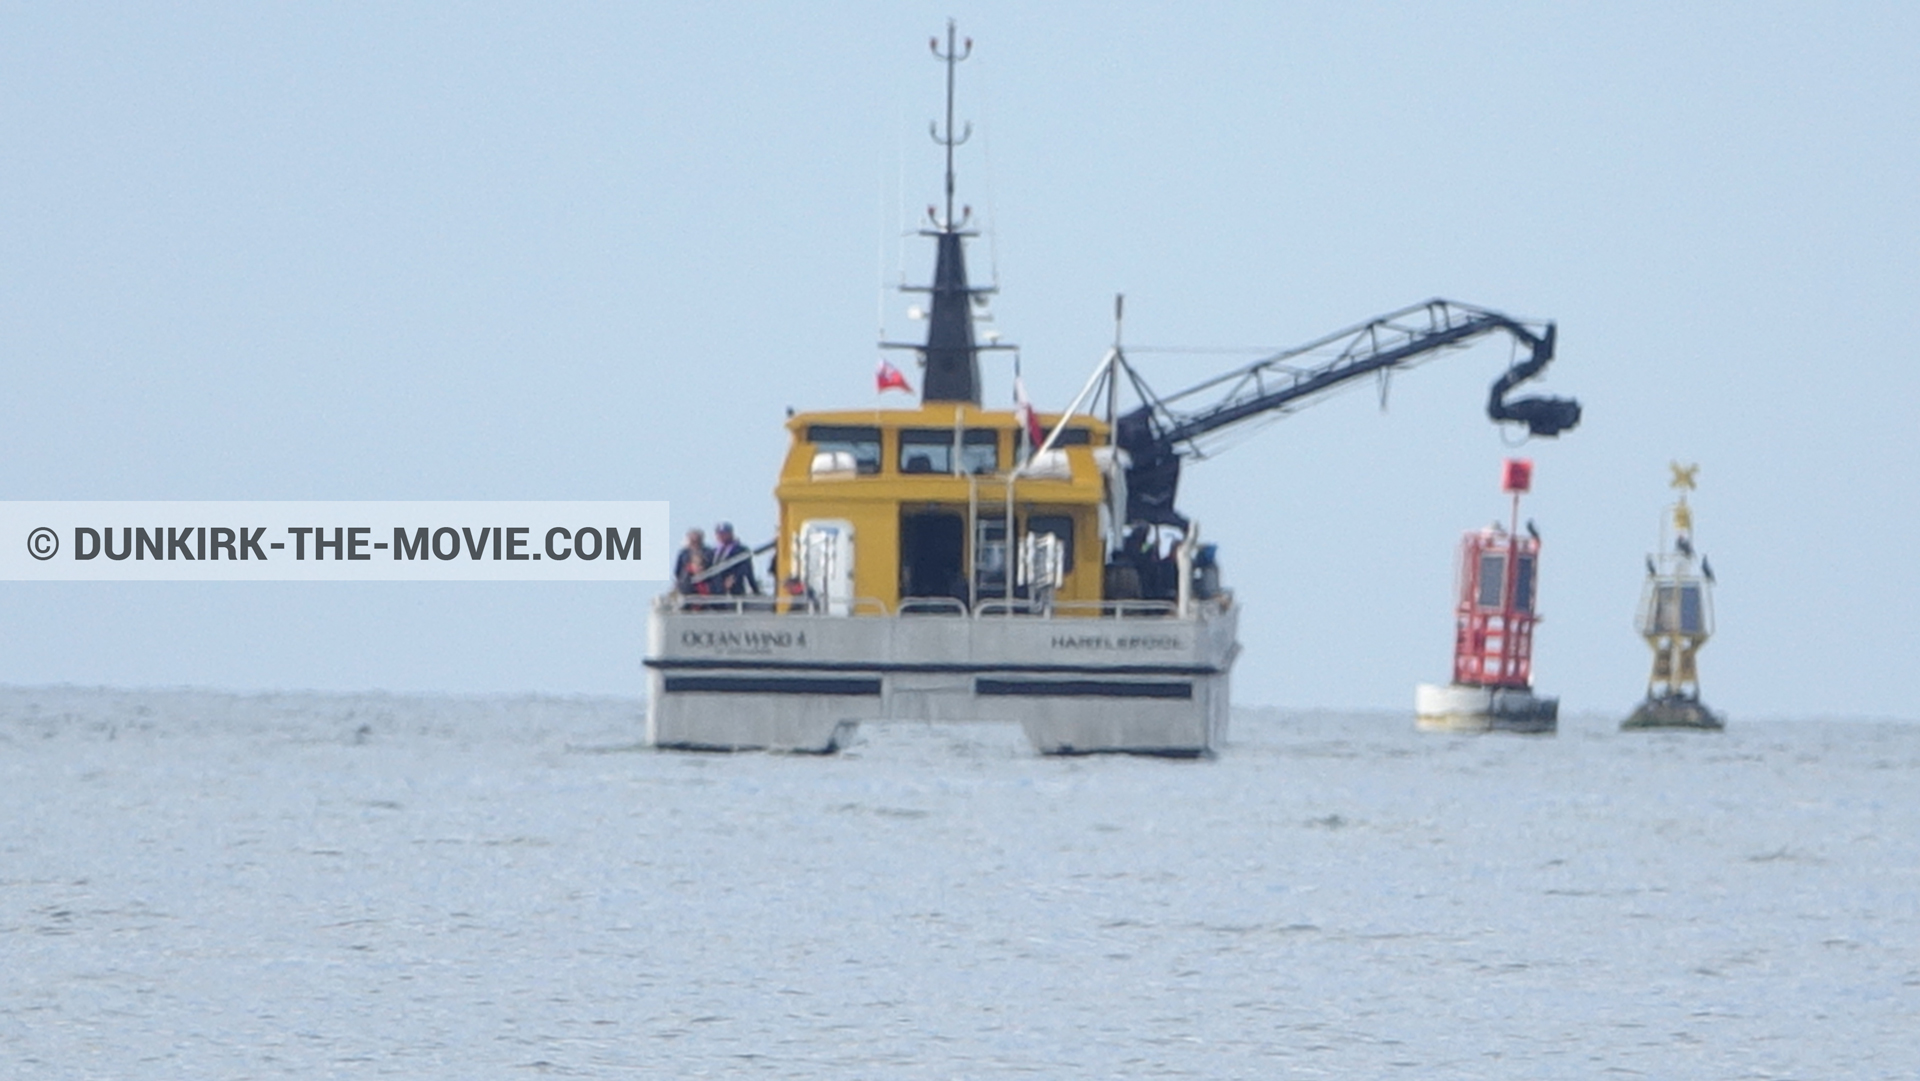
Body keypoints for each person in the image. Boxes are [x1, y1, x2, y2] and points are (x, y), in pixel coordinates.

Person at [710, 522, 759, 595]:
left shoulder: (741, 550)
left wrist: (734, 578)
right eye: (719, 534)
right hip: (716, 589)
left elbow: (747, 569)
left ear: (731, 533)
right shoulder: (713, 551)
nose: (721, 536)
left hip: (734, 589)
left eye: (724, 533)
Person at [674, 528, 713, 595]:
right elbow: (678, 570)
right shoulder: (683, 553)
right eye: (692, 539)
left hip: (705, 584)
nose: (695, 542)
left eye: (697, 539)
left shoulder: (708, 552)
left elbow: (711, 566)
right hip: (687, 585)